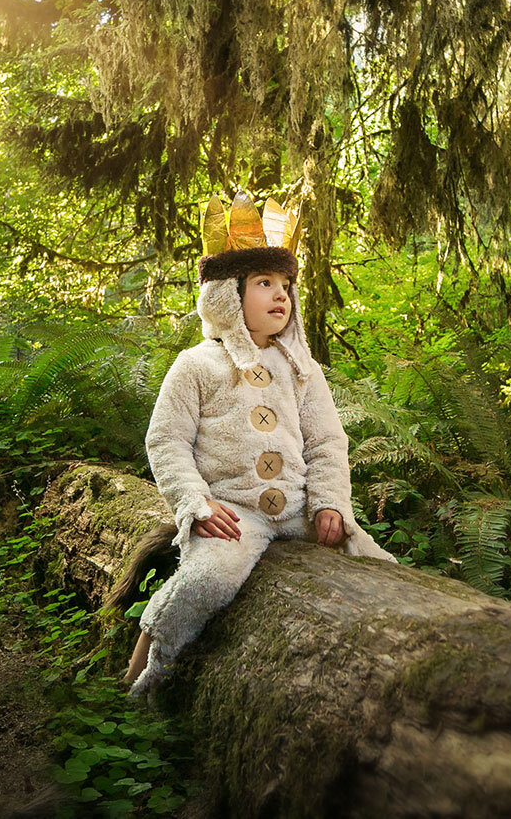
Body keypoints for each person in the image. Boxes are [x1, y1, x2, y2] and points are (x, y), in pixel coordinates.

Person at [113, 194, 398, 700]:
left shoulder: (301, 370)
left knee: (376, 562)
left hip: (297, 507)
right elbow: (167, 440)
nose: (280, 295)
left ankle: (395, 671)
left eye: (285, 285)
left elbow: (328, 441)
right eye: (264, 283)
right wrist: (194, 504)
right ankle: (140, 676)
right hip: (234, 513)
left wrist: (330, 502)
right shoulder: (197, 365)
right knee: (208, 580)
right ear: (226, 295)